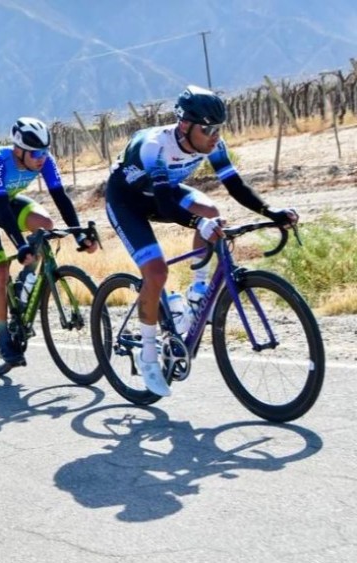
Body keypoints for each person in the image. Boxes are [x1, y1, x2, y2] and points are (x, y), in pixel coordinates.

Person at [105, 85, 298, 397]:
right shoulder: (155, 146)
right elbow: (167, 206)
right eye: (207, 128)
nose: (214, 136)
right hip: (128, 202)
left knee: (212, 210)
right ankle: (149, 357)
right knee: (156, 272)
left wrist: (271, 211)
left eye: (218, 129)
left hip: (163, 191)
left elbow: (234, 184)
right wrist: (199, 224)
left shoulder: (212, 143)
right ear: (184, 125)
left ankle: (197, 293)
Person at [0, 117, 97, 363]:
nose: (41, 158)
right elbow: (1, 207)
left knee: (45, 225)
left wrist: (78, 233)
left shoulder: (45, 160)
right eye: (35, 153)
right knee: (0, 272)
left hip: (7, 202)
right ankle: (3, 340)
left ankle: (25, 284)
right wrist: (20, 245)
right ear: (18, 149)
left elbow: (60, 197)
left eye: (45, 151)